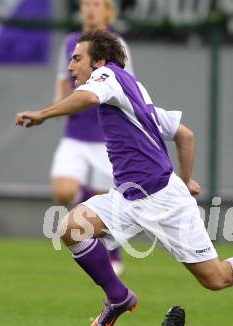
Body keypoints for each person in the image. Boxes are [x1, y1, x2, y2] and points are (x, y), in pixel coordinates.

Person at [15, 29, 233, 326]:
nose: (70, 66)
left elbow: (88, 97)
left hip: (163, 201)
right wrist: (184, 180)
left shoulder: (107, 76)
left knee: (215, 278)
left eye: (76, 58)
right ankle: (118, 297)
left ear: (99, 61)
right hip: (126, 197)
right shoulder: (134, 92)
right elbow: (184, 134)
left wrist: (44, 114)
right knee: (71, 227)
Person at [51, 0, 133, 275]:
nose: (90, 8)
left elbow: (126, 85)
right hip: (75, 133)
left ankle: (113, 251)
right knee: (62, 191)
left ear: (107, 10)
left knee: (104, 201)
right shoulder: (70, 42)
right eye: (86, 3)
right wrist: (56, 106)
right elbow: (63, 78)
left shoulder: (116, 44)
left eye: (97, 3)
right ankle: (84, 199)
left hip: (104, 135)